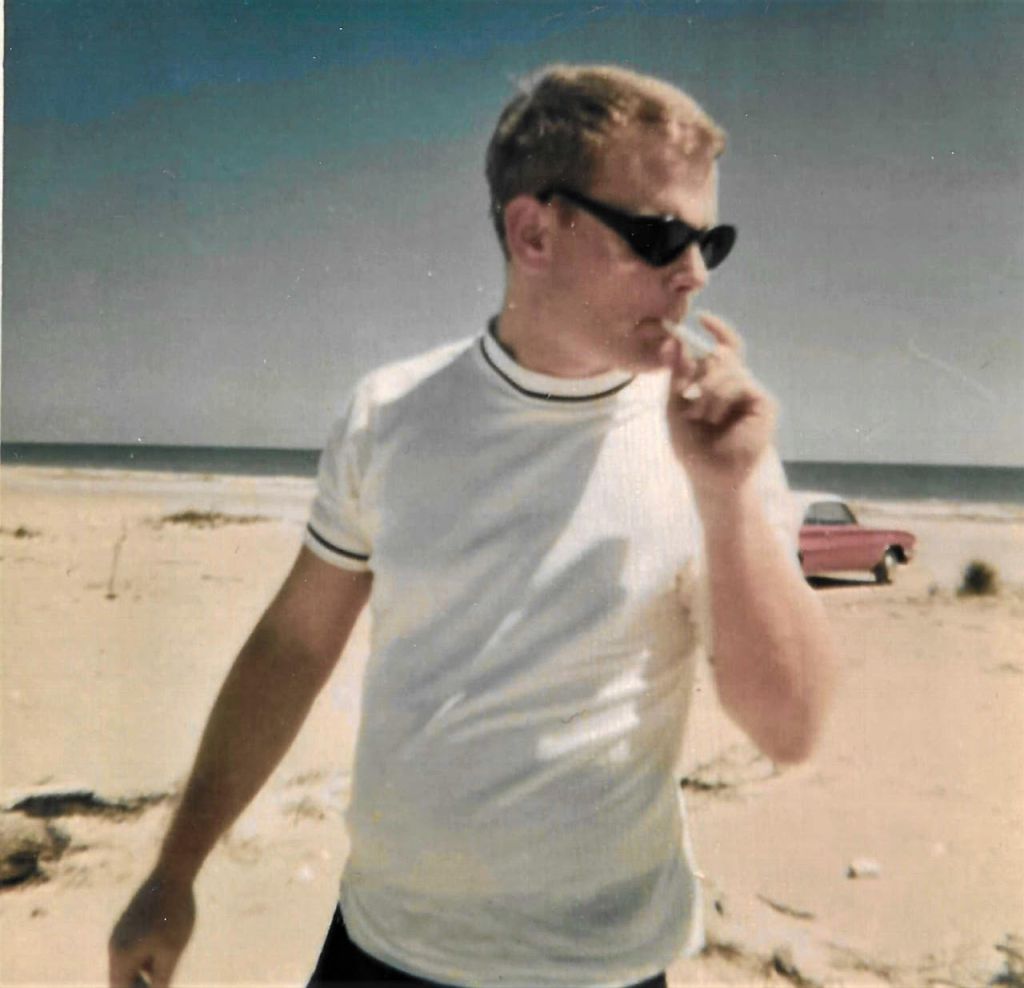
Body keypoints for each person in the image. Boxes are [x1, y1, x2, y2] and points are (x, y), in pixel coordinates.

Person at [109, 64, 837, 988]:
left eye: (709, 240)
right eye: (659, 236)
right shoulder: (391, 412)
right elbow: (293, 648)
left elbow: (791, 727)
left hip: (599, 971)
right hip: (378, 949)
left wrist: (727, 497)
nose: (692, 273)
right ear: (533, 231)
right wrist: (174, 873)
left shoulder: (712, 442)